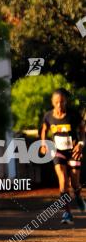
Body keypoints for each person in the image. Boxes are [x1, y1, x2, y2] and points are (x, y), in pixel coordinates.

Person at [40, 88, 85, 225]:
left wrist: (82, 144)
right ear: (53, 103)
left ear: (66, 102)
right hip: (58, 151)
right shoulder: (48, 116)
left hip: (74, 151)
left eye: (62, 102)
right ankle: (67, 213)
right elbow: (44, 129)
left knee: (75, 182)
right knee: (63, 180)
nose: (59, 105)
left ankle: (78, 195)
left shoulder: (73, 115)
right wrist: (43, 144)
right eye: (57, 102)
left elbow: (83, 129)